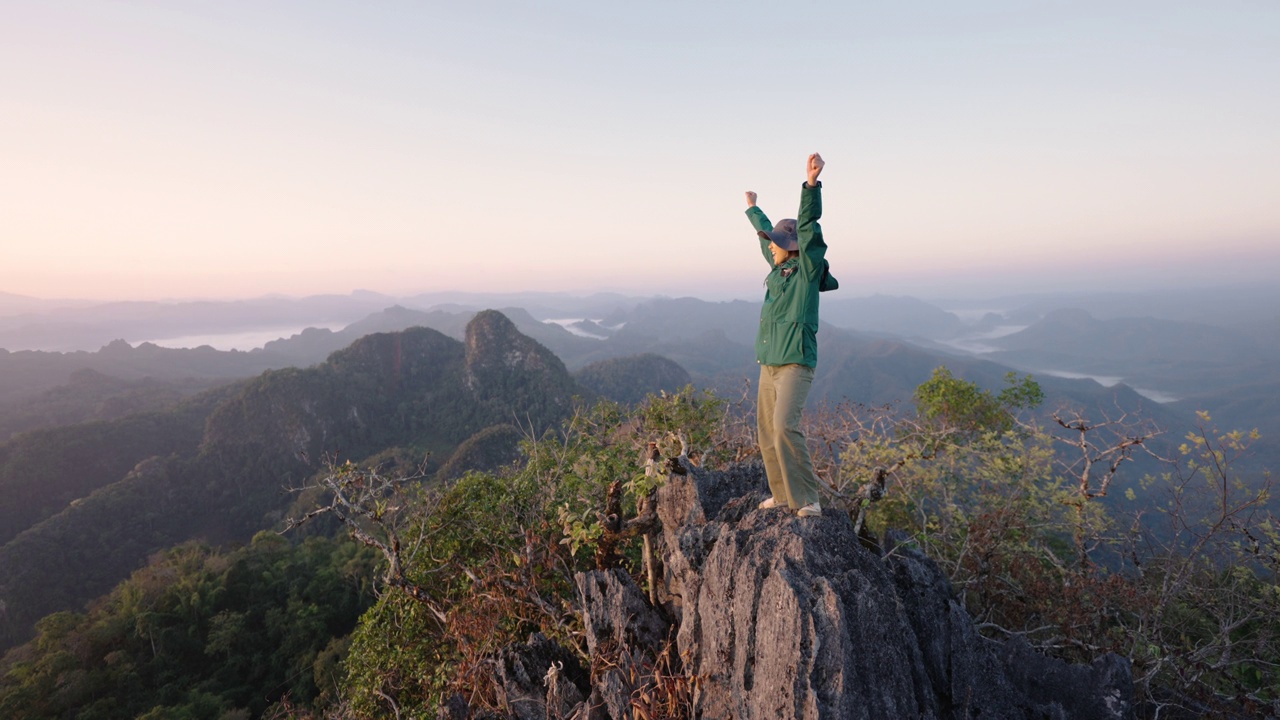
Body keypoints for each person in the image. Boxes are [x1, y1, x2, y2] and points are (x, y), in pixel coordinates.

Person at [745, 152, 833, 518]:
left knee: (784, 428)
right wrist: (754, 210)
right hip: (769, 362)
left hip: (795, 362)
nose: (770, 246)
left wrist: (811, 185)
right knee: (767, 432)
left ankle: (807, 498)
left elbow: (810, 230)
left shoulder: (807, 273)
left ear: (792, 246)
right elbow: (764, 236)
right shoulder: (779, 271)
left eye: (776, 242)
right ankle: (781, 495)